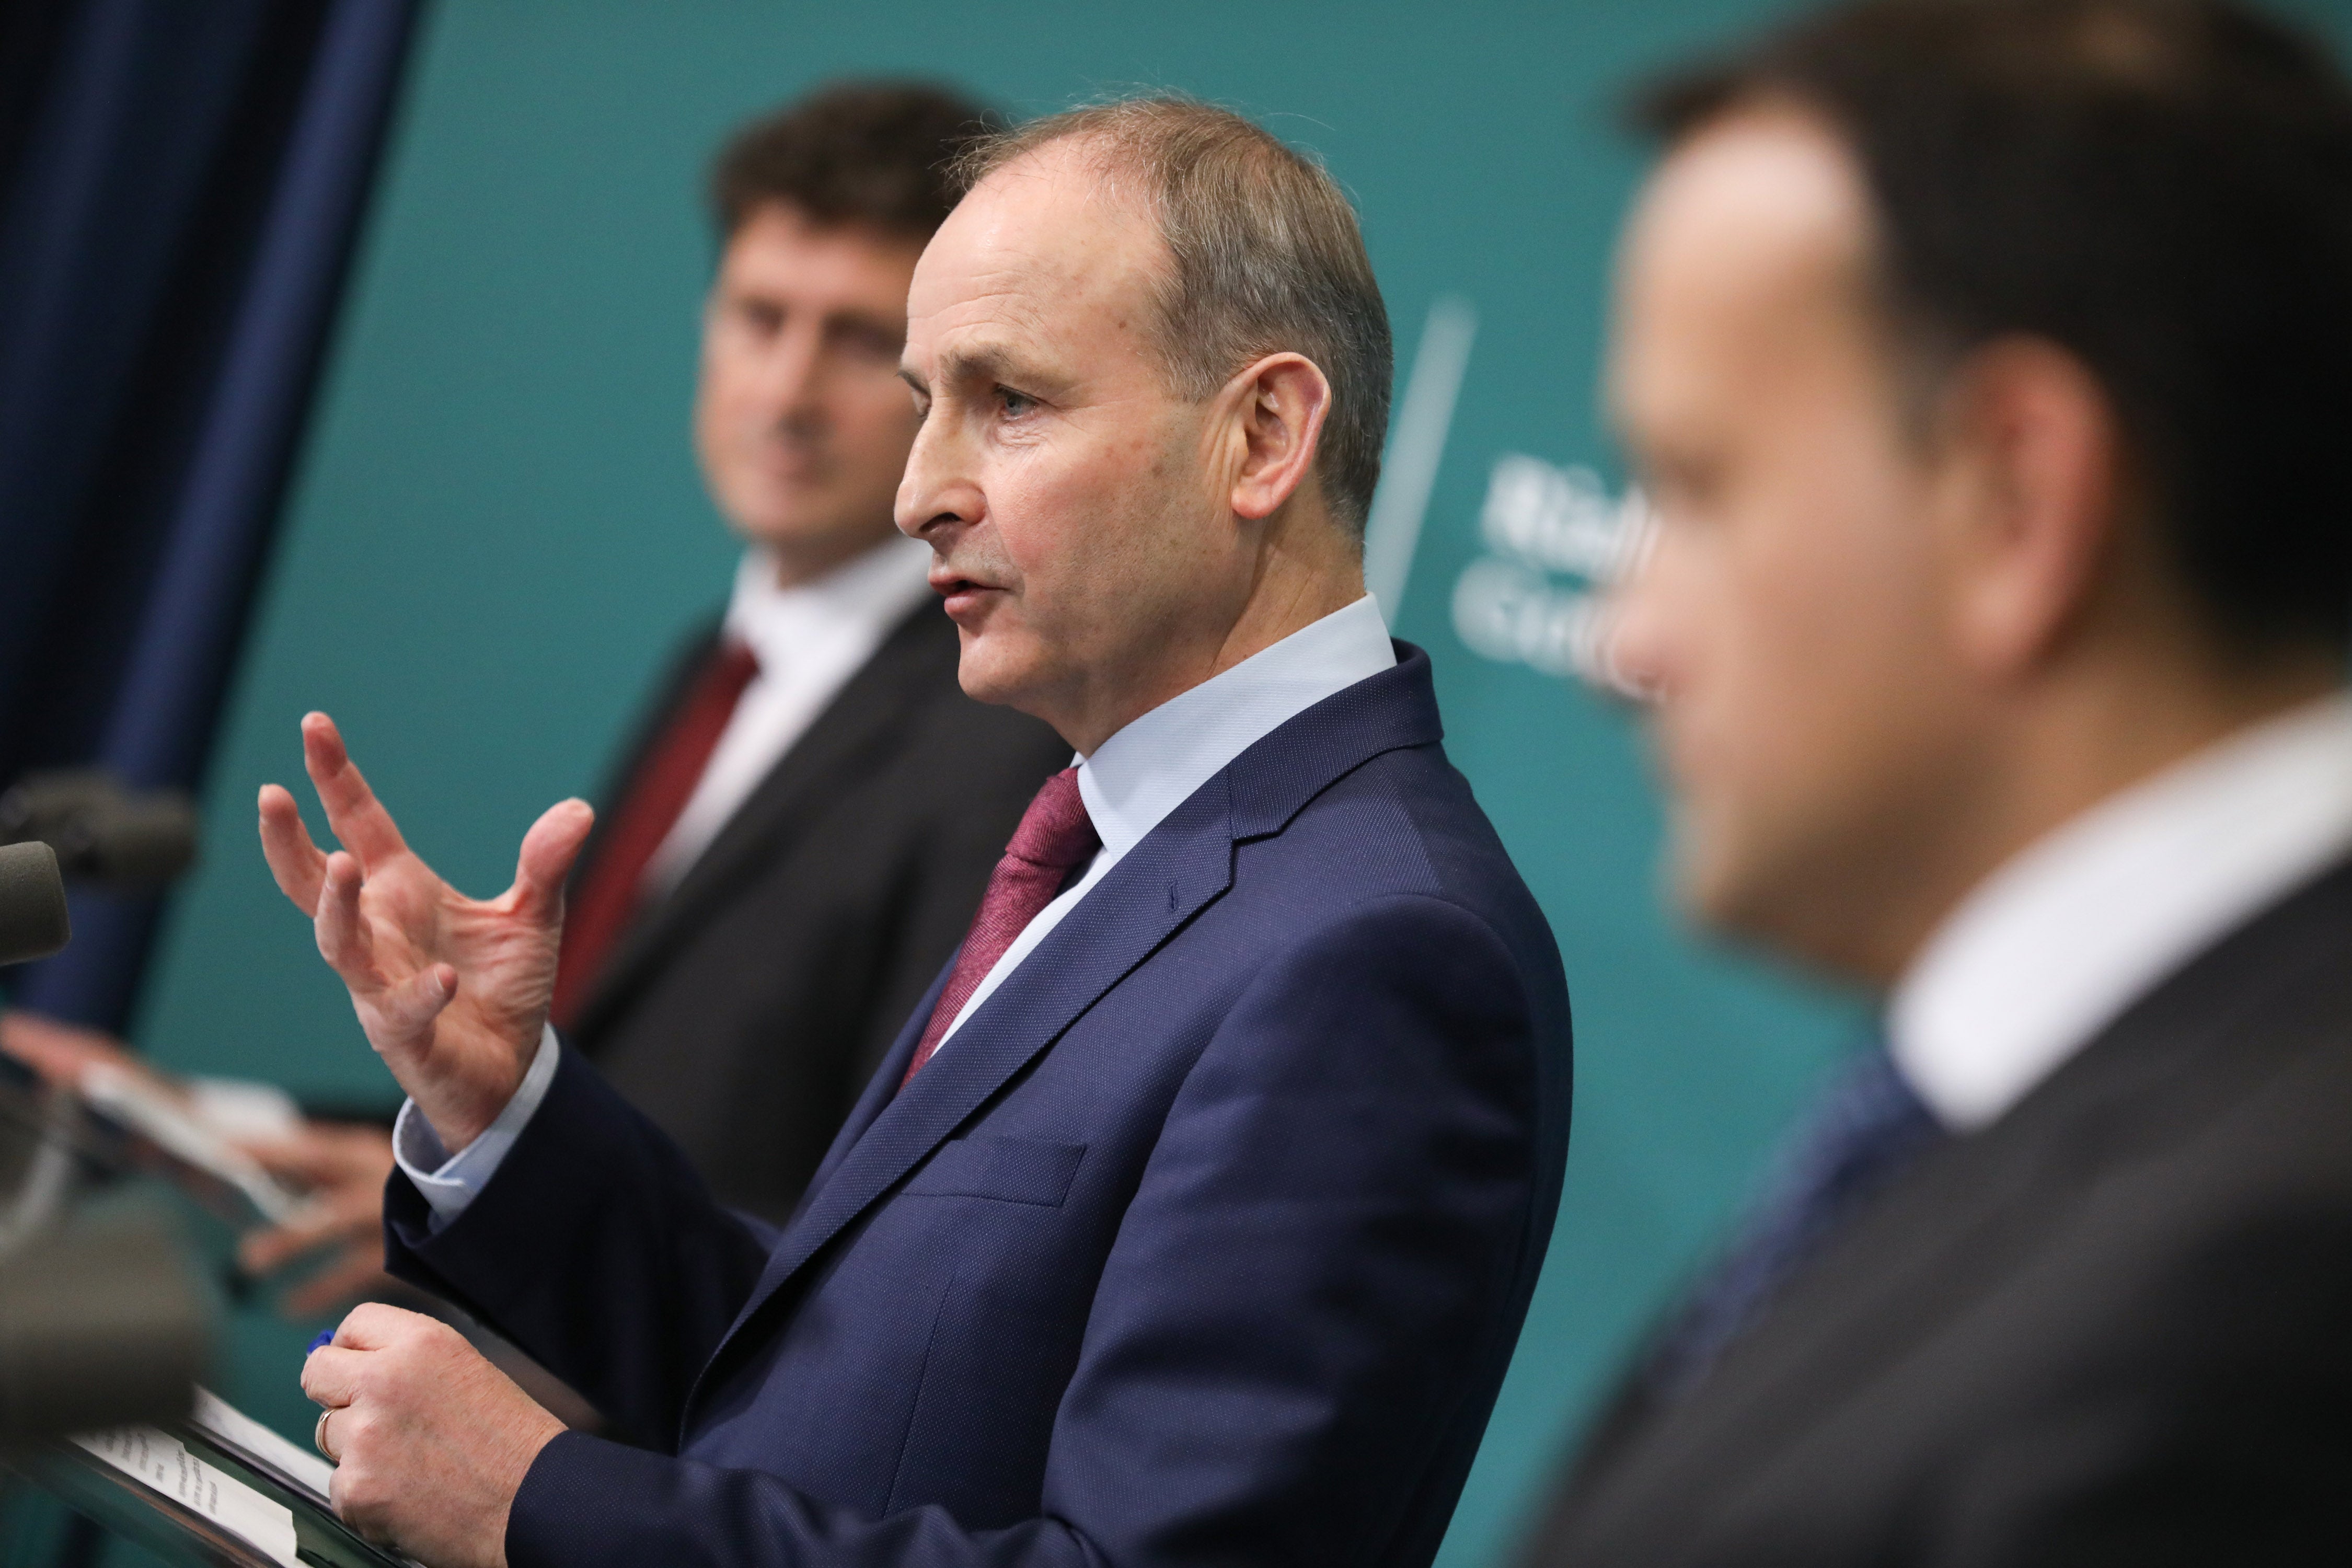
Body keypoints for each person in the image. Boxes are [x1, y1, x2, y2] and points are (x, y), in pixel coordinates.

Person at [264, 97, 1572, 1568]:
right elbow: (837, 1377)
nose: (916, 494)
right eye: (924, 397)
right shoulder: (1107, 839)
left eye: (1007, 401)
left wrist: (544, 1505)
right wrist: (512, 1115)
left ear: (1260, 434)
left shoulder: (1382, 951)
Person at [3, 81, 1068, 1315]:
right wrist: (183, 1119)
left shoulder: (1000, 735)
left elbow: (873, 1226)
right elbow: (592, 1092)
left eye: (851, 341)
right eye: (758, 316)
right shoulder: (722, 665)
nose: (784, 392)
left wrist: (501, 1204)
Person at [1525, 2, 2352, 1562]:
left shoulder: (2260, 1315)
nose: (1619, 643)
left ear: (2016, 504)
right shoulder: (2069, 1120)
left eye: (1694, 487)